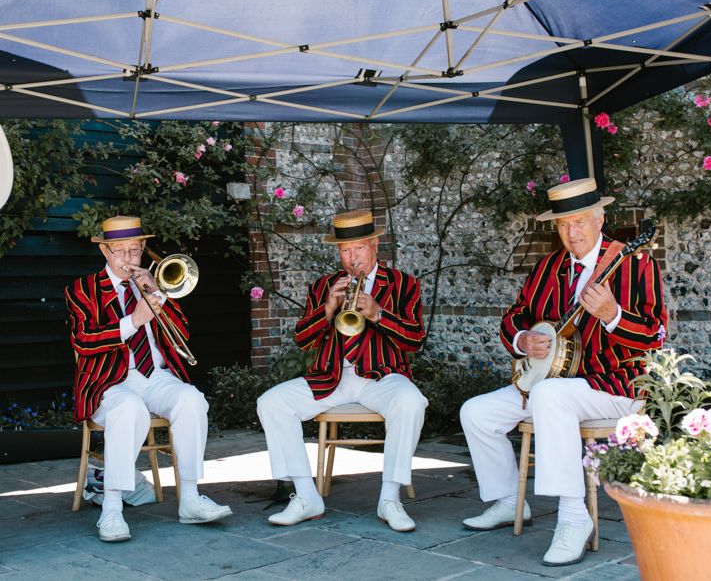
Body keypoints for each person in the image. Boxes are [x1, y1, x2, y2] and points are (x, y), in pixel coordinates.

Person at [460, 178, 667, 566]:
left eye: (580, 222)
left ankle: (574, 518)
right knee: (476, 412)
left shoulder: (634, 263)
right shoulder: (548, 267)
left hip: (613, 384)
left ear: (599, 218)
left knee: (548, 396)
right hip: (552, 383)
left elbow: (655, 334)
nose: (572, 234)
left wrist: (613, 315)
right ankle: (508, 501)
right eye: (563, 225)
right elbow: (514, 317)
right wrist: (523, 340)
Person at [257, 209, 428, 532]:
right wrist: (328, 310)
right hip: (331, 377)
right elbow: (303, 340)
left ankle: (390, 498)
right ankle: (306, 495)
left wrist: (378, 314)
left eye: (359, 249)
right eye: (345, 251)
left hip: (381, 376)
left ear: (375, 244)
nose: (352, 259)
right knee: (271, 402)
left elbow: (415, 339)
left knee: (411, 402)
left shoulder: (404, 284)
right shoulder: (324, 285)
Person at [65, 215, 231, 542]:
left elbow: (182, 335)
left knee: (192, 400)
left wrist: (160, 299)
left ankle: (191, 498)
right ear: (105, 252)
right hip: (109, 382)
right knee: (129, 409)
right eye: (119, 251)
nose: (128, 259)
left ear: (143, 250)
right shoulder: (82, 289)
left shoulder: (151, 284)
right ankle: (111, 509)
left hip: (154, 376)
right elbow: (83, 341)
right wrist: (134, 320)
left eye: (134, 251)